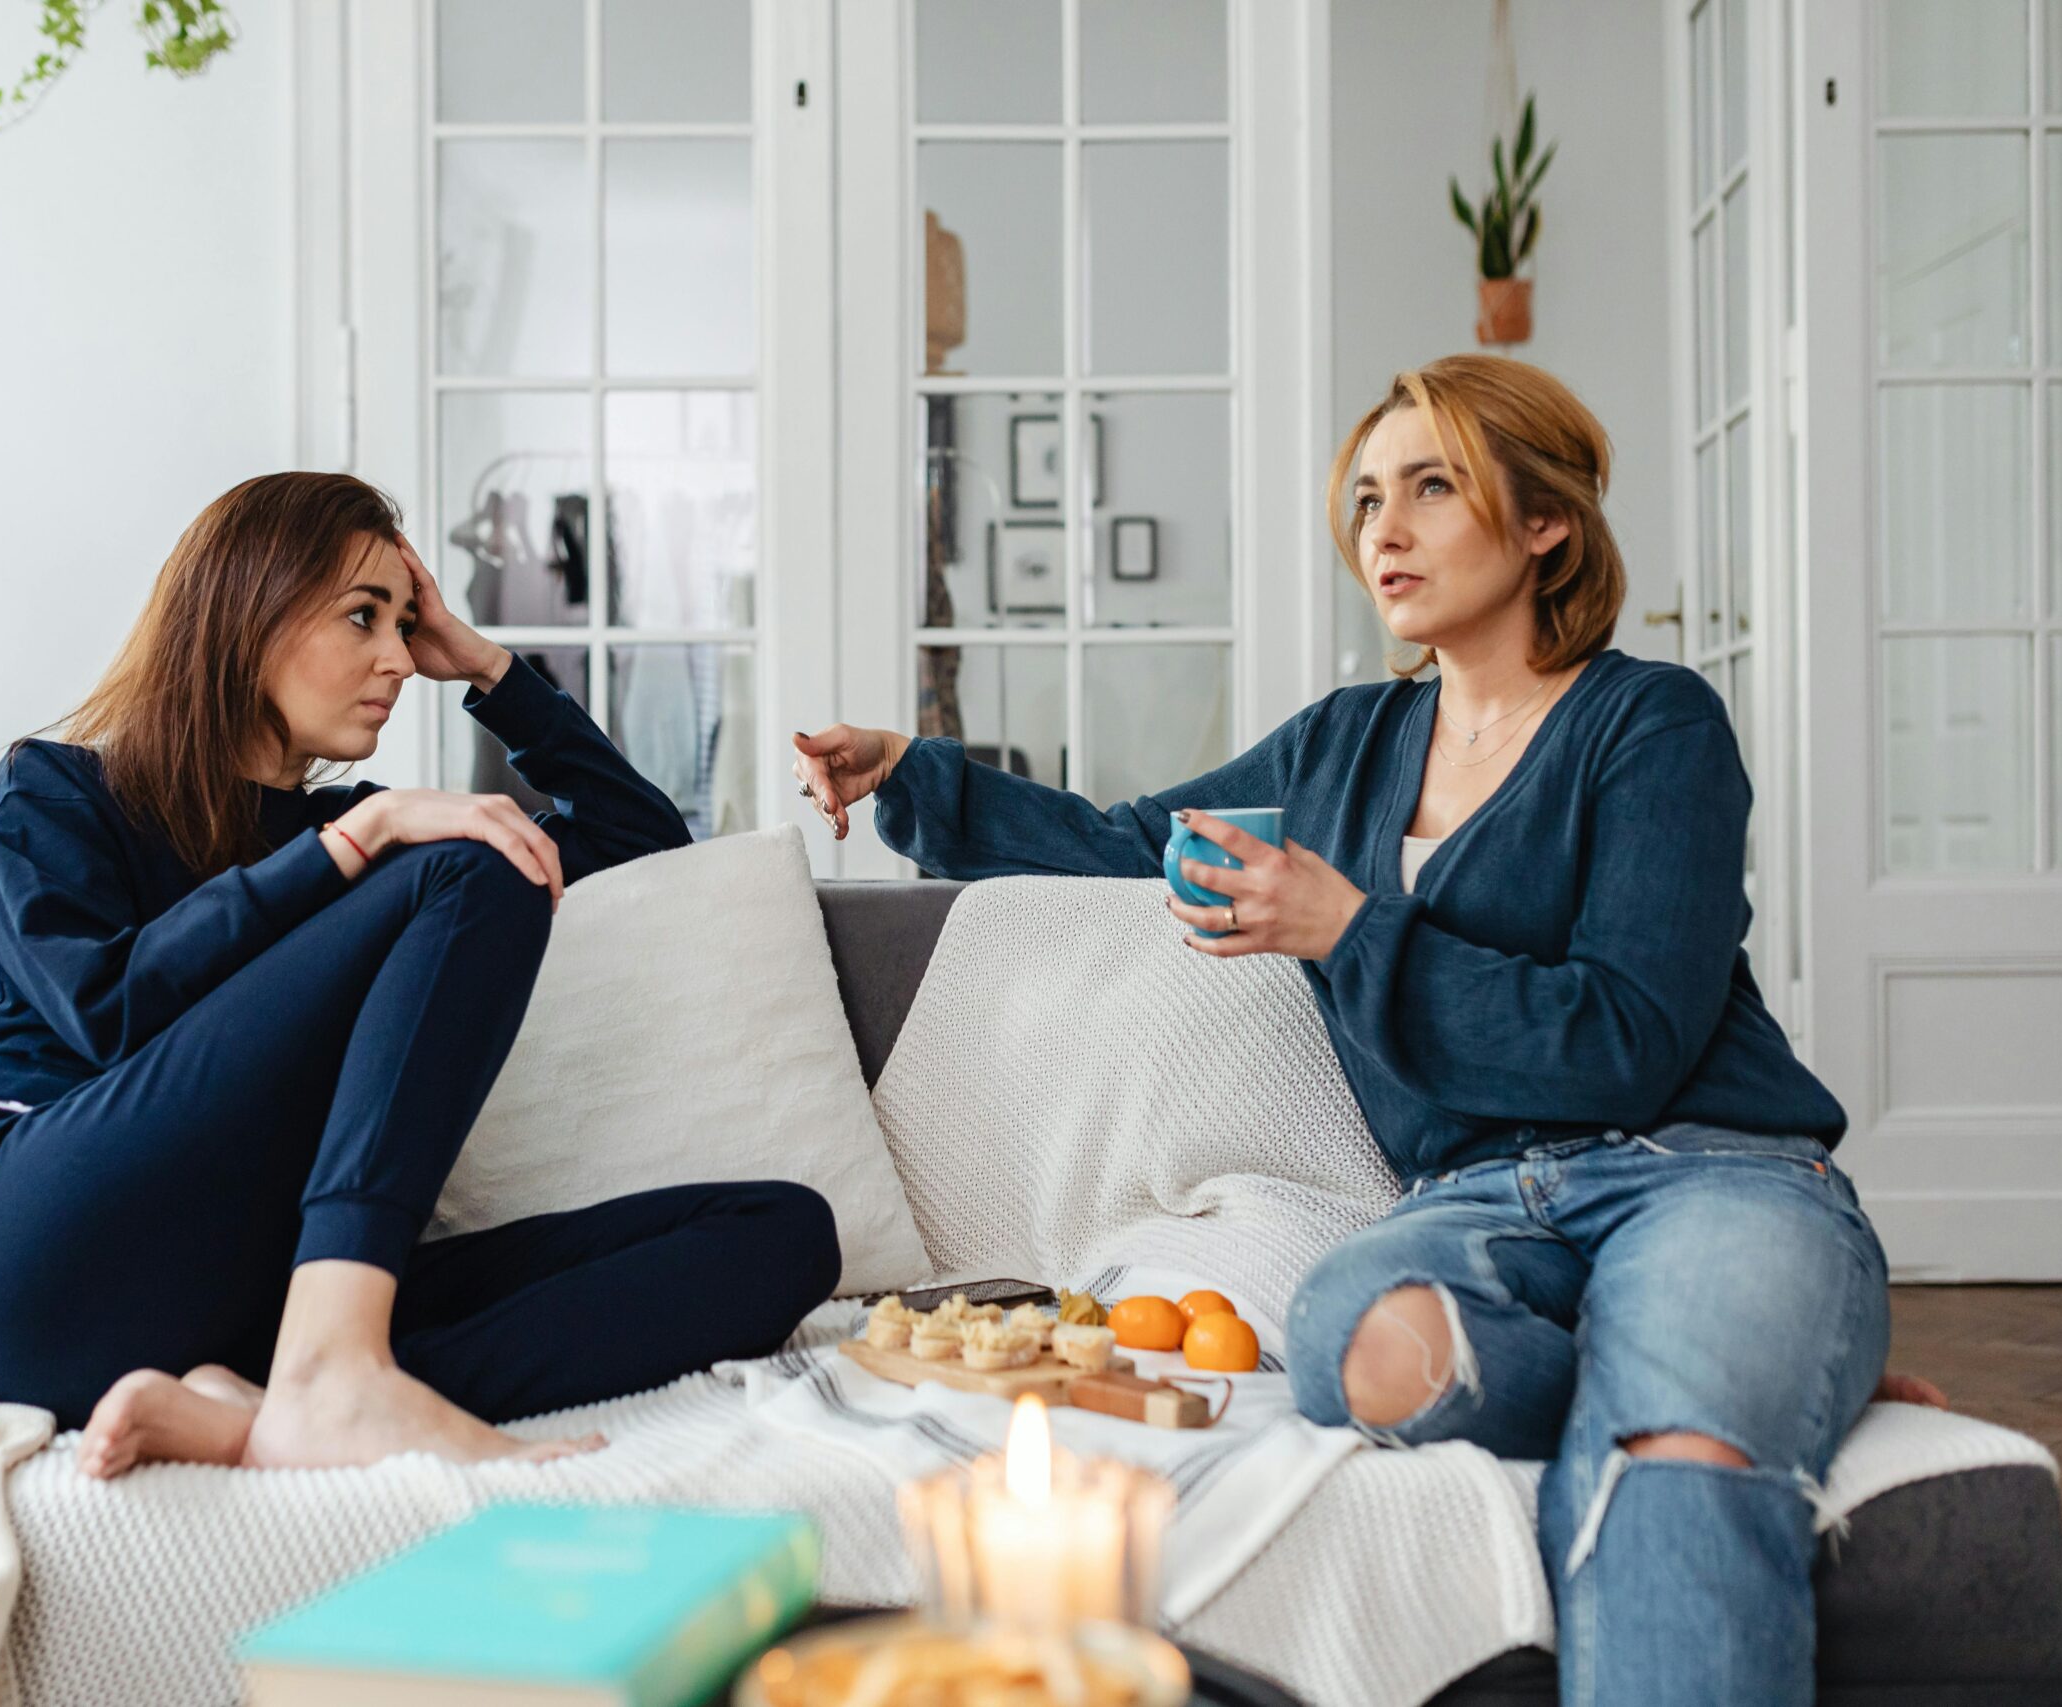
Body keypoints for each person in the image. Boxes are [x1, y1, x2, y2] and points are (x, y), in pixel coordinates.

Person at [788, 355, 1944, 1707]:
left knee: (1673, 1445)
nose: (1381, 531)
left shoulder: (1652, 722)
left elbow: (1625, 1032)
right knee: (1361, 1336)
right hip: (1471, 1204)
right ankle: (1773, 1357)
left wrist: (1350, 927)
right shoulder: (1343, 745)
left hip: (1702, 1168)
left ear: (1543, 520)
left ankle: (1732, 1359)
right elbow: (1124, 844)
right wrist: (912, 774)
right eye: (1367, 498)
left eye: (1432, 487)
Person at [0, 472, 839, 1478]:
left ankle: (273, 1405)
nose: (396, 659)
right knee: (478, 858)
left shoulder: (369, 837)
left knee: (781, 1233)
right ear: (244, 616)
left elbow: (641, 840)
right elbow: (101, 1012)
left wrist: (482, 664)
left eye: (405, 623)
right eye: (361, 618)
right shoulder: (56, 789)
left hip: (255, 1286)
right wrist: (356, 840)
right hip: (34, 1238)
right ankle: (334, 1374)